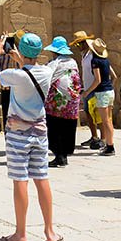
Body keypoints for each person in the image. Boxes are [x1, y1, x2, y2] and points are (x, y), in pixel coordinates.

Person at [0, 32, 62, 241]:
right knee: (42, 179)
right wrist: (22, 60)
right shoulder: (46, 71)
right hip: (40, 133)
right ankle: (50, 231)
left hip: (18, 135)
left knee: (20, 180)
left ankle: (20, 234)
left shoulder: (15, 75)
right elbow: (31, 73)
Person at [45, 36, 82, 167]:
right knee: (67, 128)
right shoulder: (73, 62)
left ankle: (59, 156)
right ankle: (64, 156)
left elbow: (47, 80)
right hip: (72, 103)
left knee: (55, 128)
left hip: (56, 103)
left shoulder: (54, 64)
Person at [82, 38, 117, 156]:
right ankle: (109, 143)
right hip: (109, 91)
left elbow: (97, 80)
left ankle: (110, 146)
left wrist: (87, 92)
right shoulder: (105, 60)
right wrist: (110, 87)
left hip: (101, 92)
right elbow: (114, 76)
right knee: (108, 120)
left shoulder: (95, 61)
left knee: (104, 120)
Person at [72, 31, 102, 149]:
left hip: (93, 89)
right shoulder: (84, 55)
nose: (77, 47)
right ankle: (94, 137)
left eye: (78, 44)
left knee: (98, 115)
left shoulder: (92, 55)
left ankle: (103, 139)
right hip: (87, 88)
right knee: (89, 114)